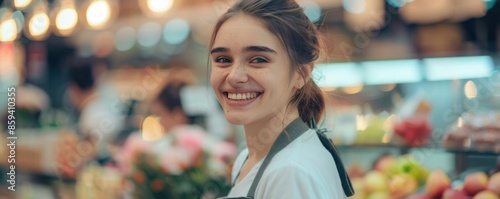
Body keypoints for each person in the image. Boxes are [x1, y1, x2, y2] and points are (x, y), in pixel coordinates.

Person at [208, 0, 353, 198]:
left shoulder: (289, 172)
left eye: (258, 60)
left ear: (301, 74)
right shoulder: (248, 159)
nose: (234, 76)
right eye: (223, 60)